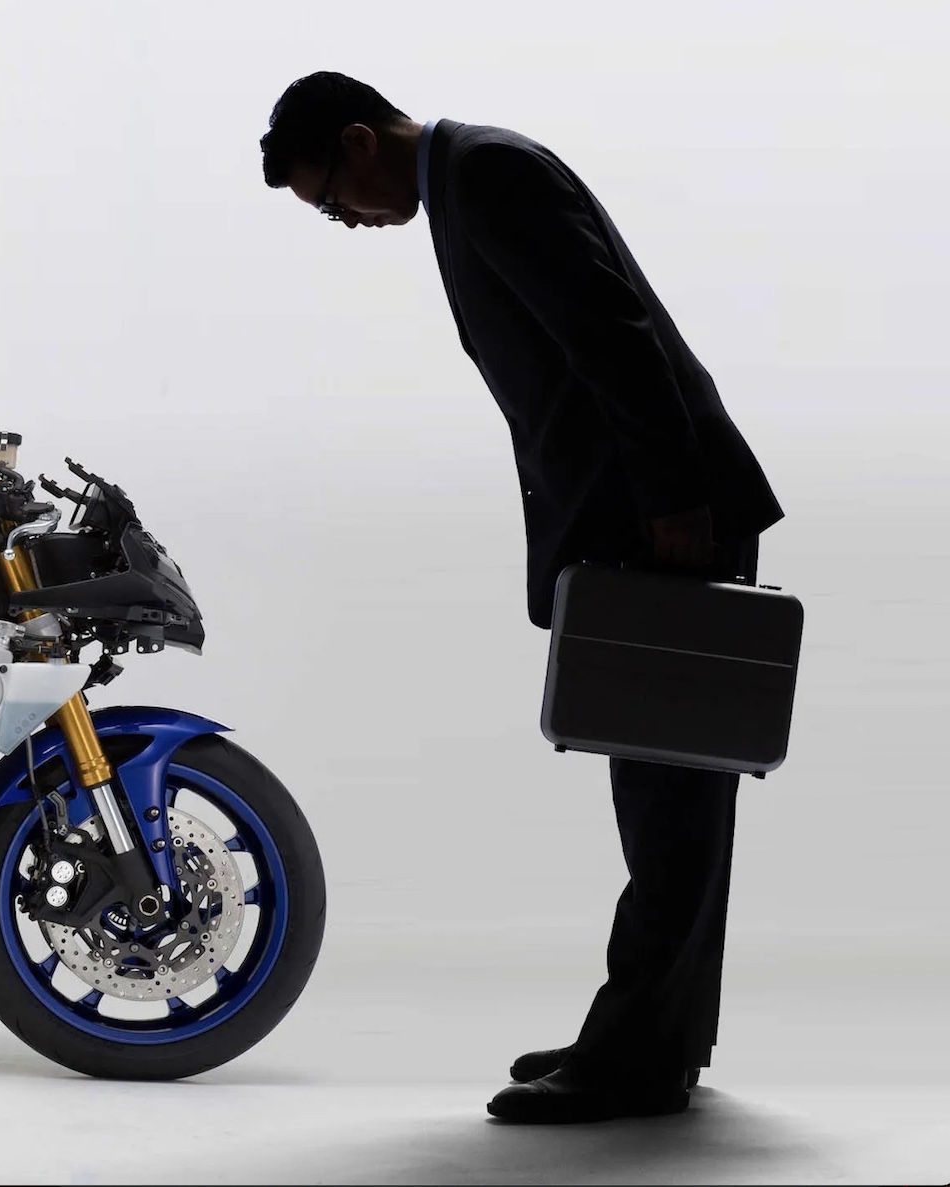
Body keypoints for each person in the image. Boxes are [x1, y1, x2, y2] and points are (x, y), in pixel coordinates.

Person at [257, 72, 785, 1124]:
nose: (346, 222)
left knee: (667, 798)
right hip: (643, 512)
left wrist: (671, 496)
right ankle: (654, 1031)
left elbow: (610, 332)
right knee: (672, 793)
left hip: (660, 514)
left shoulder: (486, 173)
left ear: (359, 142)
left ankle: (634, 1052)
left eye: (331, 200)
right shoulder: (463, 183)